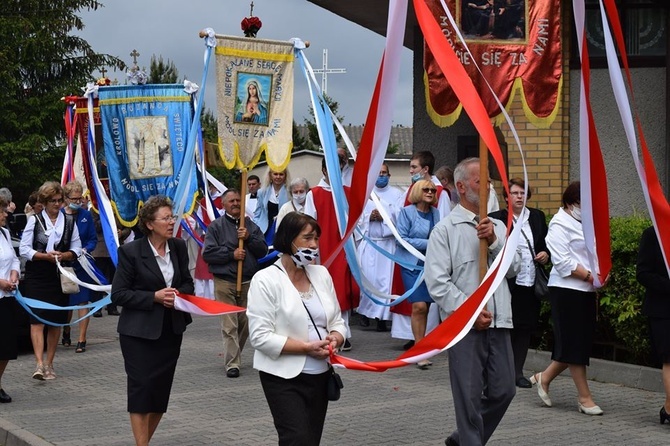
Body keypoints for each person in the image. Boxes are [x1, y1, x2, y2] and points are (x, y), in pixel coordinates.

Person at [425, 157, 519, 446]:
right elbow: (438, 284)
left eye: (489, 182)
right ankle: (469, 441)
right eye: (481, 181)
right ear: (462, 187)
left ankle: (460, 440)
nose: (488, 187)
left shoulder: (499, 227)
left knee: (505, 390)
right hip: (465, 327)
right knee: (467, 397)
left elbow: (513, 269)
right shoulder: (445, 230)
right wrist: (469, 311)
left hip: (499, 321)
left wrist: (494, 242)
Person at [247, 212, 346, 445]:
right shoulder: (266, 279)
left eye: (316, 239)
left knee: (311, 440)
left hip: (320, 375)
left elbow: (338, 321)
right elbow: (260, 337)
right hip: (282, 376)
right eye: (307, 238)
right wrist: (305, 347)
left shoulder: (321, 274)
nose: (313, 245)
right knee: (296, 439)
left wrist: (335, 338)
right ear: (288, 240)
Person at [110, 195, 194, 446]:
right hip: (138, 334)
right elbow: (119, 294)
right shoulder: (131, 252)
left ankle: (144, 441)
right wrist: (154, 297)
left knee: (159, 392)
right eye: (165, 218)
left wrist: (180, 294)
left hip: (170, 330)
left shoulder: (178, 247)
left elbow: (187, 282)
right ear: (149, 224)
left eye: (172, 217)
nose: (171, 222)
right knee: (141, 390)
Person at [529, 181, 604, 416]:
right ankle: (584, 397)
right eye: (584, 202)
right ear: (572, 202)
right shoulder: (560, 223)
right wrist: (590, 276)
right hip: (567, 290)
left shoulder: (586, 223)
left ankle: (544, 377)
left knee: (577, 342)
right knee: (574, 343)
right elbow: (562, 262)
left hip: (586, 291)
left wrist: (600, 275)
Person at [490, 178, 550, 388]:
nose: (519, 197)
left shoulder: (536, 217)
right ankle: (501, 372)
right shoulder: (496, 219)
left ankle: (517, 372)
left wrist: (545, 254)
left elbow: (545, 244)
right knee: (506, 328)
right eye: (514, 193)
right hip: (507, 283)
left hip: (530, 281)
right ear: (506, 197)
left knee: (525, 328)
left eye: (522, 193)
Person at [19, 181, 82, 380]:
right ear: (44, 202)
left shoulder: (70, 222)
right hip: (37, 276)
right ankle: (39, 364)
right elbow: (24, 249)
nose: (57, 204)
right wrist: (43, 255)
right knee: (37, 320)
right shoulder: (34, 220)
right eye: (52, 201)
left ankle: (50, 363)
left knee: (56, 321)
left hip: (59, 276)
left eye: (59, 200)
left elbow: (78, 248)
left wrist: (66, 255)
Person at [202, 189, 267, 378]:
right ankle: (233, 363)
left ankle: (234, 353)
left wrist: (249, 239)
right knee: (229, 324)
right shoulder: (215, 227)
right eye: (231, 201)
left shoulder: (250, 226)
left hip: (247, 281)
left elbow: (262, 250)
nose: (236, 203)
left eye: (239, 200)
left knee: (245, 323)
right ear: (224, 204)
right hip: (225, 282)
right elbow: (208, 254)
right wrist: (231, 255)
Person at [304, 156, 359, 350]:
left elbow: (356, 221)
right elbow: (309, 223)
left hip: (344, 247)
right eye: (330, 169)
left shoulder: (348, 192)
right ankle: (325, 331)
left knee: (342, 290)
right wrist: (311, 251)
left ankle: (344, 333)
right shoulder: (314, 194)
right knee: (325, 290)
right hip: (323, 248)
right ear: (324, 171)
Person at [396, 179, 441, 368]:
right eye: (426, 189)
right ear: (417, 191)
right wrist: (429, 244)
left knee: (427, 307)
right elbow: (402, 240)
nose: (430, 192)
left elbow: (439, 236)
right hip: (410, 265)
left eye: (432, 189)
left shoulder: (435, 213)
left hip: (429, 265)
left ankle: (420, 347)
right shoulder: (406, 213)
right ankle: (418, 350)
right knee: (419, 306)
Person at [356, 163, 403, 332]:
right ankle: (365, 314)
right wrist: (369, 217)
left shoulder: (397, 194)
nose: (381, 176)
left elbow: (399, 216)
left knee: (385, 282)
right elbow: (356, 217)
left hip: (387, 246)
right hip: (369, 242)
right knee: (368, 280)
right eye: (378, 173)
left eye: (384, 173)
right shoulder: (365, 194)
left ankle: (382, 318)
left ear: (389, 175)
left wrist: (383, 217)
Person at [637, 225, 670, 425]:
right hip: (662, 310)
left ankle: (667, 407)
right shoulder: (653, 234)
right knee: (669, 358)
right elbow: (642, 273)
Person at [61, 181, 97, 353]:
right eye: (74, 198)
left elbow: (92, 239)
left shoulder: (86, 215)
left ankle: (82, 339)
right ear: (66, 199)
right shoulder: (59, 215)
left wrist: (85, 249)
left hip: (83, 264)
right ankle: (66, 330)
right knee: (68, 301)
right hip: (65, 265)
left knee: (83, 300)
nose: (78, 201)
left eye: (80, 197)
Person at [0, 197, 20, 403]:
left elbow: (14, 258)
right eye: (2, 211)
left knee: (5, 346)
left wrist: (14, 273)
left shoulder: (5, 233)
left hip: (6, 297)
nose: (6, 214)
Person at [254, 168, 290, 238]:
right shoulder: (262, 192)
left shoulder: (289, 192)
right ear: (270, 175)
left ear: (285, 176)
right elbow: (257, 213)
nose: (278, 177)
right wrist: (256, 226)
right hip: (264, 229)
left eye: (281, 174)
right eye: (275, 174)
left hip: (283, 230)